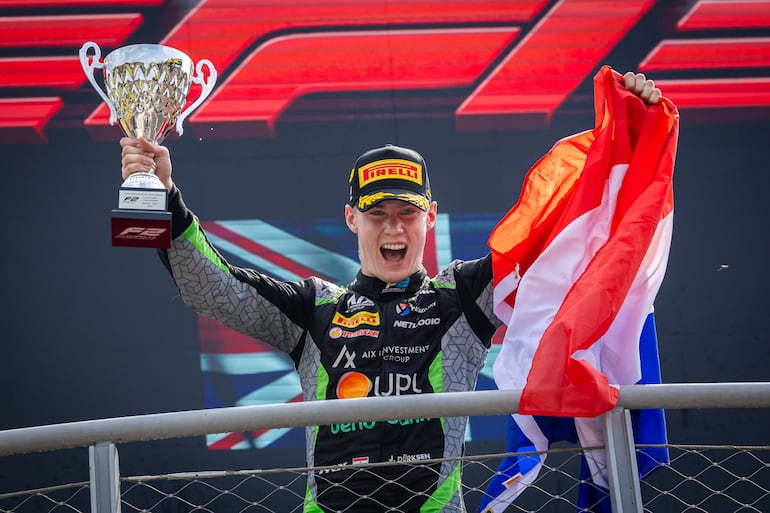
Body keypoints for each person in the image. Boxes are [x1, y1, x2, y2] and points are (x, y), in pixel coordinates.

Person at [120, 72, 661, 512]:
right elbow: (215, 291)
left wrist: (630, 136)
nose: (394, 230)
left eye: (407, 213)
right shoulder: (315, 308)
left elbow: (567, 240)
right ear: (352, 219)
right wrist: (165, 196)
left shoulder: (462, 297)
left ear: (431, 216)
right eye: (378, 215)